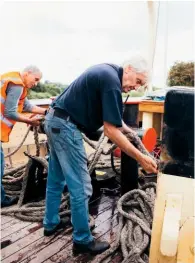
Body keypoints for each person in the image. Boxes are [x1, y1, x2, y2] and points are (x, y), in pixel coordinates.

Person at [43, 56, 158, 255]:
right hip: (66, 128)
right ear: (128, 69)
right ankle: (82, 241)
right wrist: (141, 158)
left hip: (54, 121)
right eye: (138, 81)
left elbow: (115, 122)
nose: (135, 87)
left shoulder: (108, 74)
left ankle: (50, 223)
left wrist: (130, 132)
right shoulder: (112, 81)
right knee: (82, 187)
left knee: (56, 179)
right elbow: (110, 130)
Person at [1, 65, 47, 207]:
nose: (36, 83)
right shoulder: (17, 84)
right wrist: (30, 120)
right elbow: (10, 112)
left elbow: (27, 107)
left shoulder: (14, 81)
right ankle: (2, 200)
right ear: (27, 73)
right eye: (36, 79)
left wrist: (48, 112)